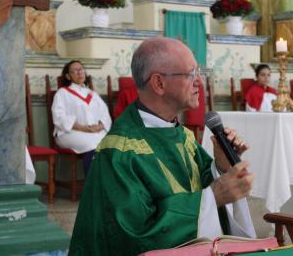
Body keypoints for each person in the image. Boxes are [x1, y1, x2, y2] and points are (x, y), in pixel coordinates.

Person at [69, 37, 256, 255]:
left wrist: (222, 168)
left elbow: (204, 186)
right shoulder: (119, 152)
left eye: (198, 73)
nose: (199, 82)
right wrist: (214, 196)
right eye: (190, 74)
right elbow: (133, 237)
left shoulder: (181, 136)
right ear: (159, 83)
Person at [51, 60, 112, 175]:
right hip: (70, 132)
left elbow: (105, 114)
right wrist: (83, 128)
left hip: (94, 132)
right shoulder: (62, 93)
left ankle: (108, 186)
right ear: (68, 76)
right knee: (94, 145)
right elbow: (59, 117)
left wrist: (100, 126)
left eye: (81, 69)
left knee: (111, 144)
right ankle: (92, 186)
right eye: (75, 71)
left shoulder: (92, 94)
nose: (80, 73)